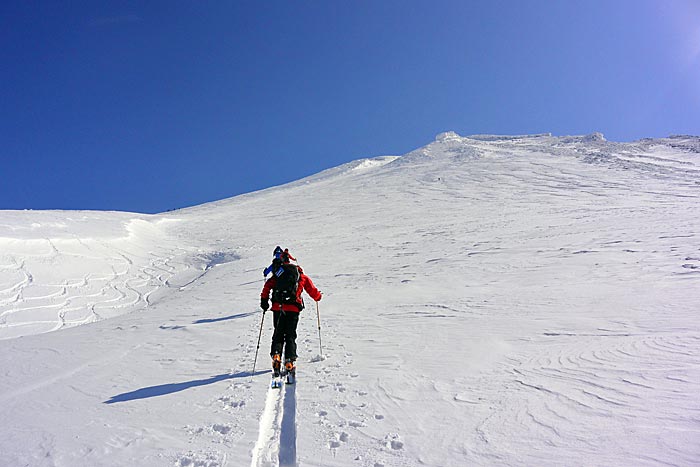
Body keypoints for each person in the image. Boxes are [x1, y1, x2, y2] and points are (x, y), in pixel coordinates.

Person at [260, 249, 322, 375]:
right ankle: (289, 360)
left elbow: (267, 285)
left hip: (278, 307)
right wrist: (318, 297)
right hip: (293, 309)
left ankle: (276, 356)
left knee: (278, 334)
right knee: (290, 335)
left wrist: (264, 301)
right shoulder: (300, 275)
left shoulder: (278, 274)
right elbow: (312, 290)